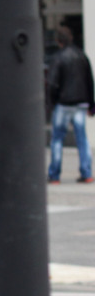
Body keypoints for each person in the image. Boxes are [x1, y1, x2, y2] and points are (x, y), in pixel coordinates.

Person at [46, 25, 94, 184]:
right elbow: (89, 81)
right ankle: (87, 172)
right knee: (82, 139)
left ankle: (55, 175)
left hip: (64, 102)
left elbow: (52, 83)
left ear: (58, 41)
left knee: (57, 139)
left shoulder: (58, 57)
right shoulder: (81, 56)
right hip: (80, 102)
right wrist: (92, 104)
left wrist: (52, 102)